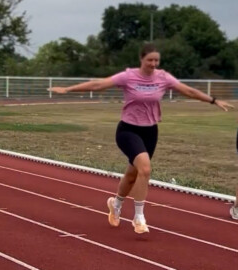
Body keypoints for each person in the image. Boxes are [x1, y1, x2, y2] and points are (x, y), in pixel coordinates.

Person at [48, 43, 233, 234]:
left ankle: (116, 204)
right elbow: (98, 84)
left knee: (133, 175)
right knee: (145, 168)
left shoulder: (163, 77)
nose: (153, 64)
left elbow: (189, 91)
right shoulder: (128, 76)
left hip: (150, 132)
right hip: (128, 130)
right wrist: (68, 89)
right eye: (149, 60)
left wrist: (213, 100)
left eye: (156, 60)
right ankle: (139, 217)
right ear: (141, 59)